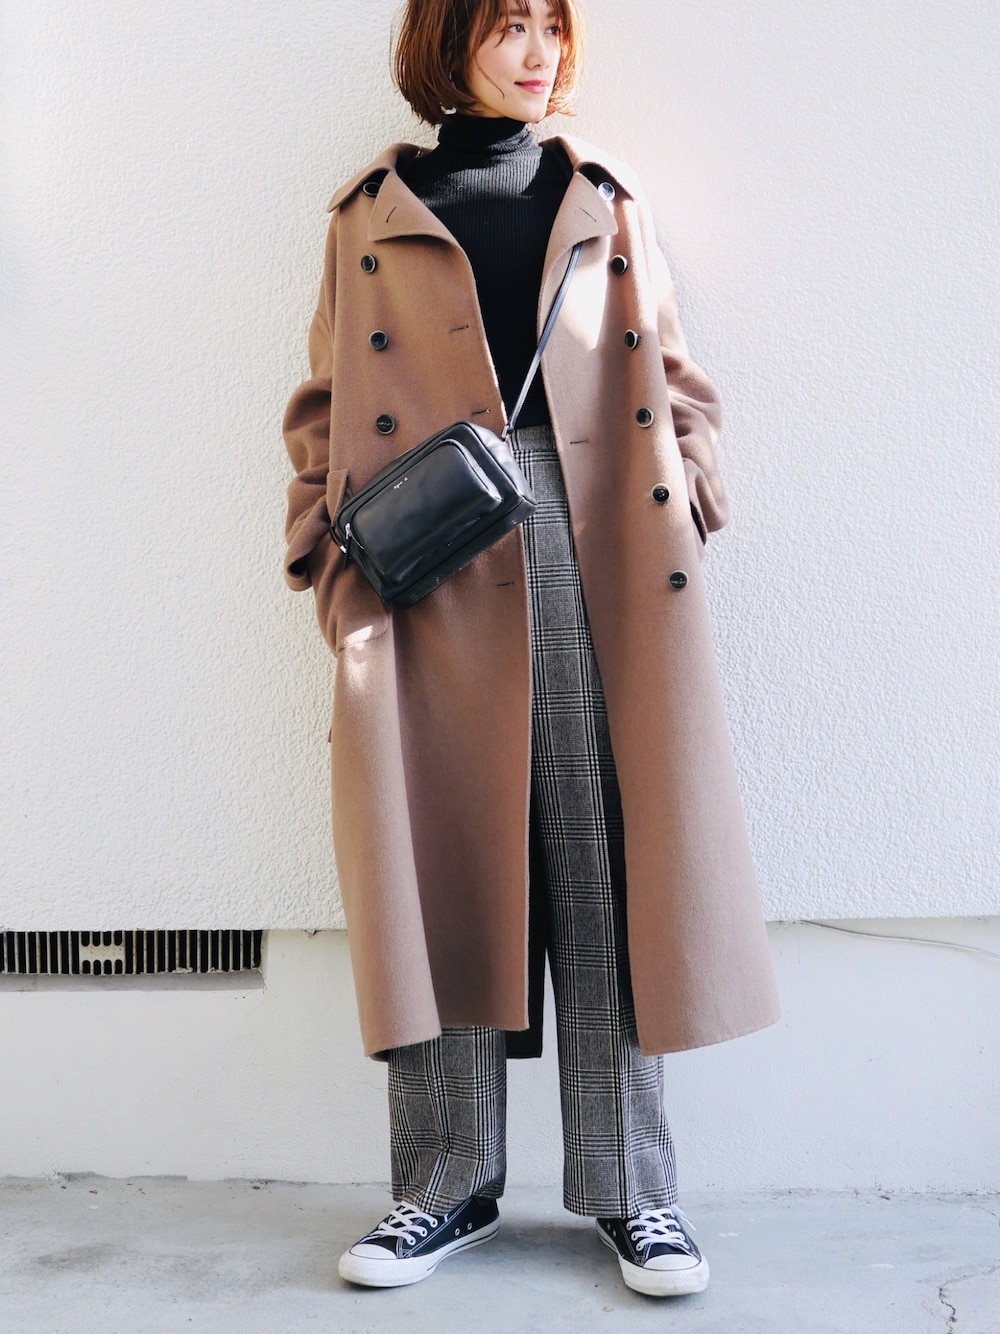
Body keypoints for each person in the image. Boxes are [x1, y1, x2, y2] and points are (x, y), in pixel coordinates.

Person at [282, 0, 780, 1299]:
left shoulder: (601, 196)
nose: (540, 53)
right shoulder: (371, 214)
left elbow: (673, 376)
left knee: (605, 853)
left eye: (552, 27)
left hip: (595, 530)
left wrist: (691, 490)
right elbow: (323, 402)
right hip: (428, 542)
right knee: (443, 861)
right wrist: (325, 549)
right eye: (510, 26)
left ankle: (633, 1189)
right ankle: (444, 1183)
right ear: (447, 40)